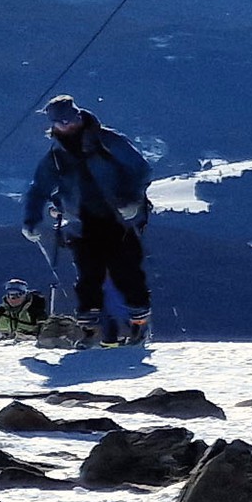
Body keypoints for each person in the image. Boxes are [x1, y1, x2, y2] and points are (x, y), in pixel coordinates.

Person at [20, 94, 153, 344]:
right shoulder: (56, 157)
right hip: (82, 223)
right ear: (53, 125)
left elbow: (141, 170)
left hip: (119, 219)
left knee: (126, 271)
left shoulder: (108, 141)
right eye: (61, 122)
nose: (67, 125)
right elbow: (39, 188)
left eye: (70, 119)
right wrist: (31, 220)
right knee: (88, 276)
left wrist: (133, 200)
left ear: (79, 115)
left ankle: (138, 325)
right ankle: (92, 329)